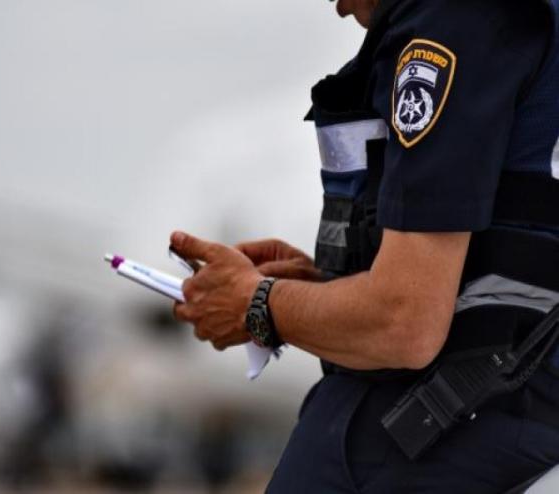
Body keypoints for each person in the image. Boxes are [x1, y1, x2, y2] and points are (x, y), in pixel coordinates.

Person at [170, 0, 559, 491]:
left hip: (433, 434)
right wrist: (324, 287)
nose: (335, 6)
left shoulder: (455, 18)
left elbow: (405, 322)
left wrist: (258, 303)